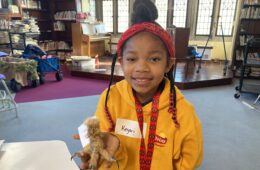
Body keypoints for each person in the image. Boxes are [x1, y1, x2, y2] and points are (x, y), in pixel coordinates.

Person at [75, 0, 203, 169]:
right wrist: (99, 150)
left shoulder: (182, 112)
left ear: (168, 64)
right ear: (121, 61)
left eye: (154, 59)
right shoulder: (110, 99)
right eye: (132, 59)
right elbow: (103, 143)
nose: (142, 68)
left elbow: (190, 160)